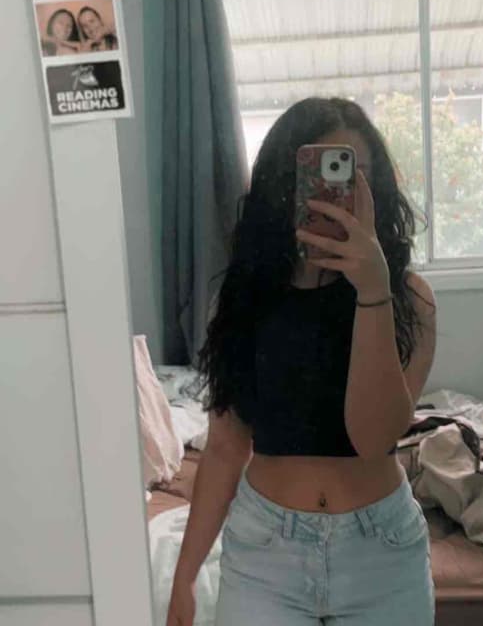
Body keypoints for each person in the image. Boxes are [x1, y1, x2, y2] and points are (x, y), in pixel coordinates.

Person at [166, 97, 437, 626]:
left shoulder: (408, 298)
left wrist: (373, 291)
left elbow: (373, 437)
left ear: (376, 188)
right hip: (265, 555)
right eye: (319, 176)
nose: (338, 193)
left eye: (354, 175)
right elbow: (224, 448)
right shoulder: (244, 298)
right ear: (283, 185)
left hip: (382, 557)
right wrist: (185, 575)